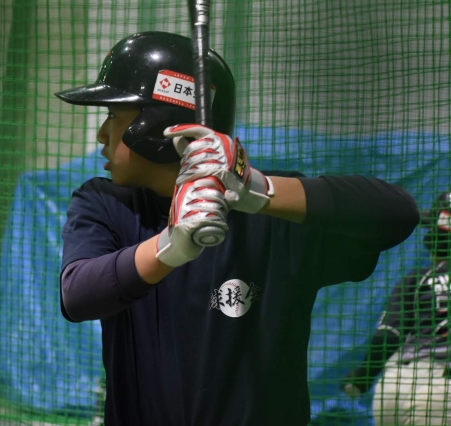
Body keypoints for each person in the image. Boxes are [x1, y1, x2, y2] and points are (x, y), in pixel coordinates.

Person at [55, 31, 420, 425]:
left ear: (158, 126)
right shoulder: (105, 203)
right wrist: (170, 246)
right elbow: (79, 295)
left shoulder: (274, 214)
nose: (102, 134)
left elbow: (397, 213)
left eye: (113, 115)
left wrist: (259, 190)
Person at [342, 190, 451, 426]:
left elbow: (389, 334)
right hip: (441, 391)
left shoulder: (418, 279)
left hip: (394, 385)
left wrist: (363, 377)